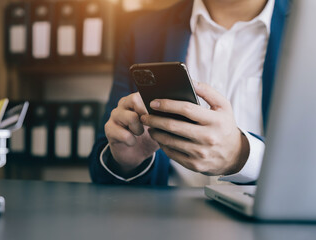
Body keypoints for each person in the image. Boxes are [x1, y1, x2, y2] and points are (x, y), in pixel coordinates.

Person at [89, 0, 290, 186]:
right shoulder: (143, 32)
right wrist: (128, 163)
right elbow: (102, 169)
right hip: (164, 219)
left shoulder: (307, 30)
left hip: (275, 221)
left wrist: (242, 157)